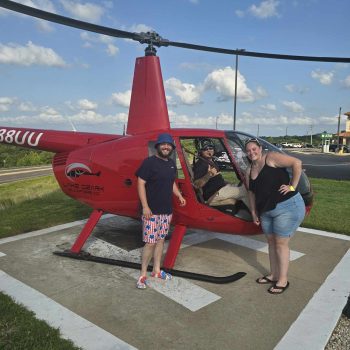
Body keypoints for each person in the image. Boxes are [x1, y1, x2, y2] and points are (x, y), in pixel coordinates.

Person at [245, 138, 305, 295]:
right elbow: (250, 193)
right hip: (266, 211)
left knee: (280, 243)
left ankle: (283, 280)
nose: (252, 152)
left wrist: (292, 186)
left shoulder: (271, 158)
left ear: (260, 148)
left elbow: (297, 163)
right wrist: (253, 212)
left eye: (254, 149)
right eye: (248, 150)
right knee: (271, 243)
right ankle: (273, 275)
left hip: (287, 206)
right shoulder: (249, 170)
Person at [135, 133, 186, 289]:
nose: (166, 147)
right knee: (150, 243)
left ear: (171, 147)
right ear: (157, 146)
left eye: (169, 145)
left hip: (166, 211)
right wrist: (145, 206)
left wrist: (179, 196)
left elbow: (171, 183)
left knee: (161, 241)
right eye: (163, 144)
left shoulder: (170, 163)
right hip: (151, 212)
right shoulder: (149, 163)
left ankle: (157, 271)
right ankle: (143, 274)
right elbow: (140, 183)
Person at [193, 139, 249, 208]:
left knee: (244, 186)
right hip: (214, 194)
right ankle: (255, 216)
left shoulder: (211, 161)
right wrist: (209, 174)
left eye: (210, 148)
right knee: (246, 192)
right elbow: (196, 185)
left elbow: (215, 179)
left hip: (221, 189)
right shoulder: (201, 164)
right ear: (200, 151)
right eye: (205, 149)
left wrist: (227, 183)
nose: (209, 150)